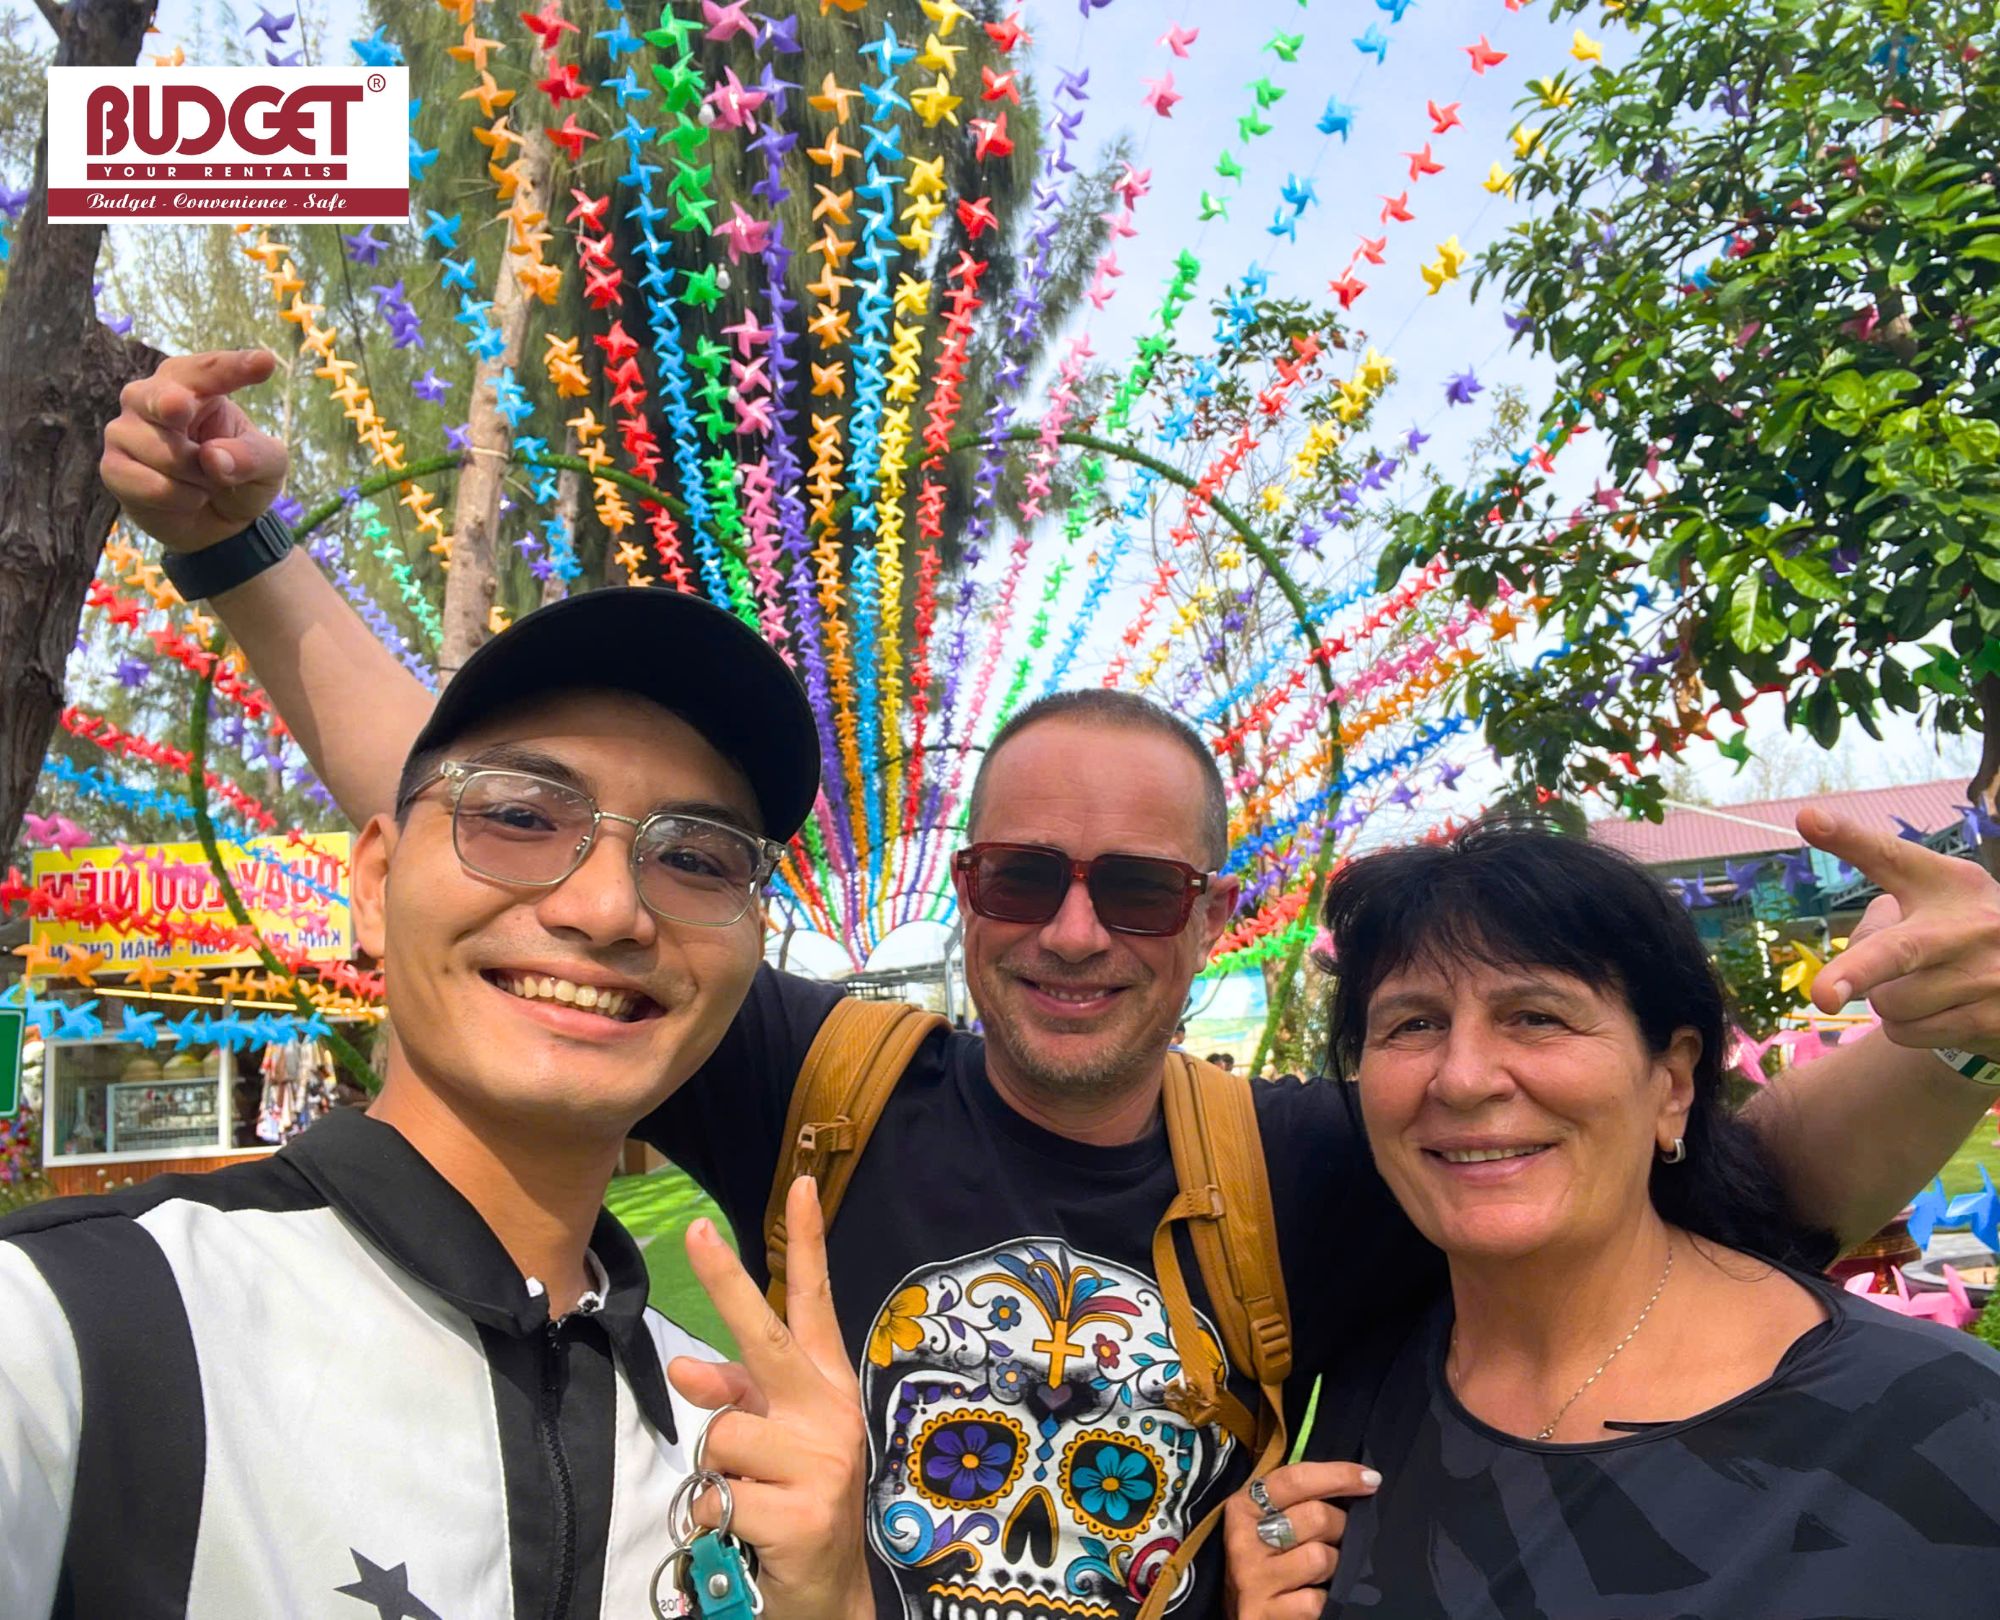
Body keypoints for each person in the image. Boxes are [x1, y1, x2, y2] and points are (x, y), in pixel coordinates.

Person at [97, 349, 2000, 1617]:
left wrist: (1951, 1025)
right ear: (967, 888)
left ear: (1213, 910)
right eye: (1021, 874)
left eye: (1137, 886)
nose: (1073, 930)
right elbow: (498, 830)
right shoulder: (814, 1079)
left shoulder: (1327, 1163)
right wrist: (240, 550)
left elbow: (1755, 1176)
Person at [0, 581, 872, 1618]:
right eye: (516, 816)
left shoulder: (725, 1440)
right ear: (373, 882)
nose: (607, 909)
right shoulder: (75, 1333)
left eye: (693, 857)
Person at [1227, 821, 2000, 1617]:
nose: (1461, 1079)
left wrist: (1963, 1041)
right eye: (1413, 1024)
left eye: (1537, 1016)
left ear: (1671, 1082)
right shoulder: (1366, 1375)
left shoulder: (1942, 1426)